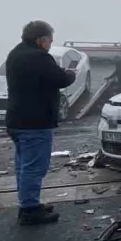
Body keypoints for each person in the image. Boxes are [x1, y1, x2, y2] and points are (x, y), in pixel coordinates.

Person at [6, 20, 75, 225]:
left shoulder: (16, 53)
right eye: (50, 40)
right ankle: (29, 210)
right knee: (34, 167)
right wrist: (70, 73)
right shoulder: (38, 57)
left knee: (24, 166)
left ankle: (29, 203)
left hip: (18, 119)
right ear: (41, 40)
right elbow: (61, 79)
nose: (51, 43)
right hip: (34, 121)